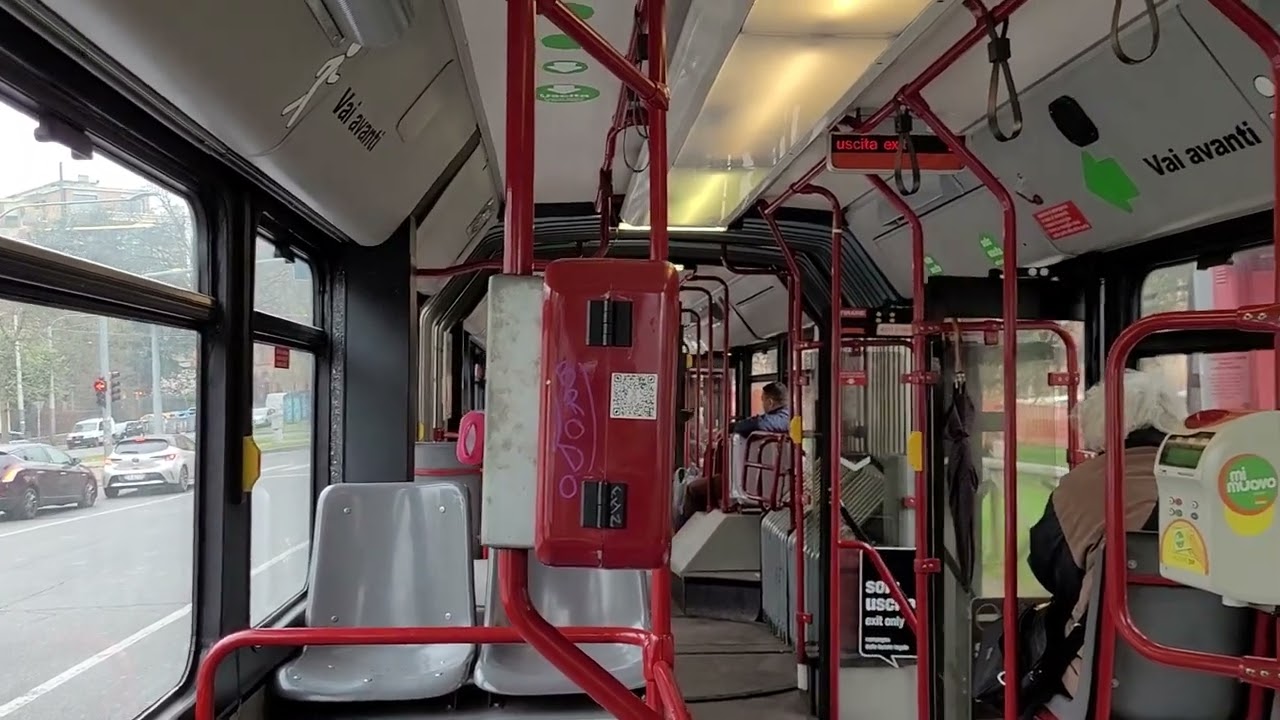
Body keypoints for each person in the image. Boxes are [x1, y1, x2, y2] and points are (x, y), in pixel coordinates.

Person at [1025, 368, 1186, 698]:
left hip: (1108, 673)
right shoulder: (1213, 481)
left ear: (1100, 424)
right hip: (1225, 673)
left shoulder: (1080, 487)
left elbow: (1049, 568)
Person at [675, 382, 791, 529]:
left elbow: (761, 424)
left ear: (770, 402)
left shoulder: (782, 420)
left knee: (693, 489)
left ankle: (683, 530)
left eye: (763, 400)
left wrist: (732, 428)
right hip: (760, 479)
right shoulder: (785, 418)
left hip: (752, 482)